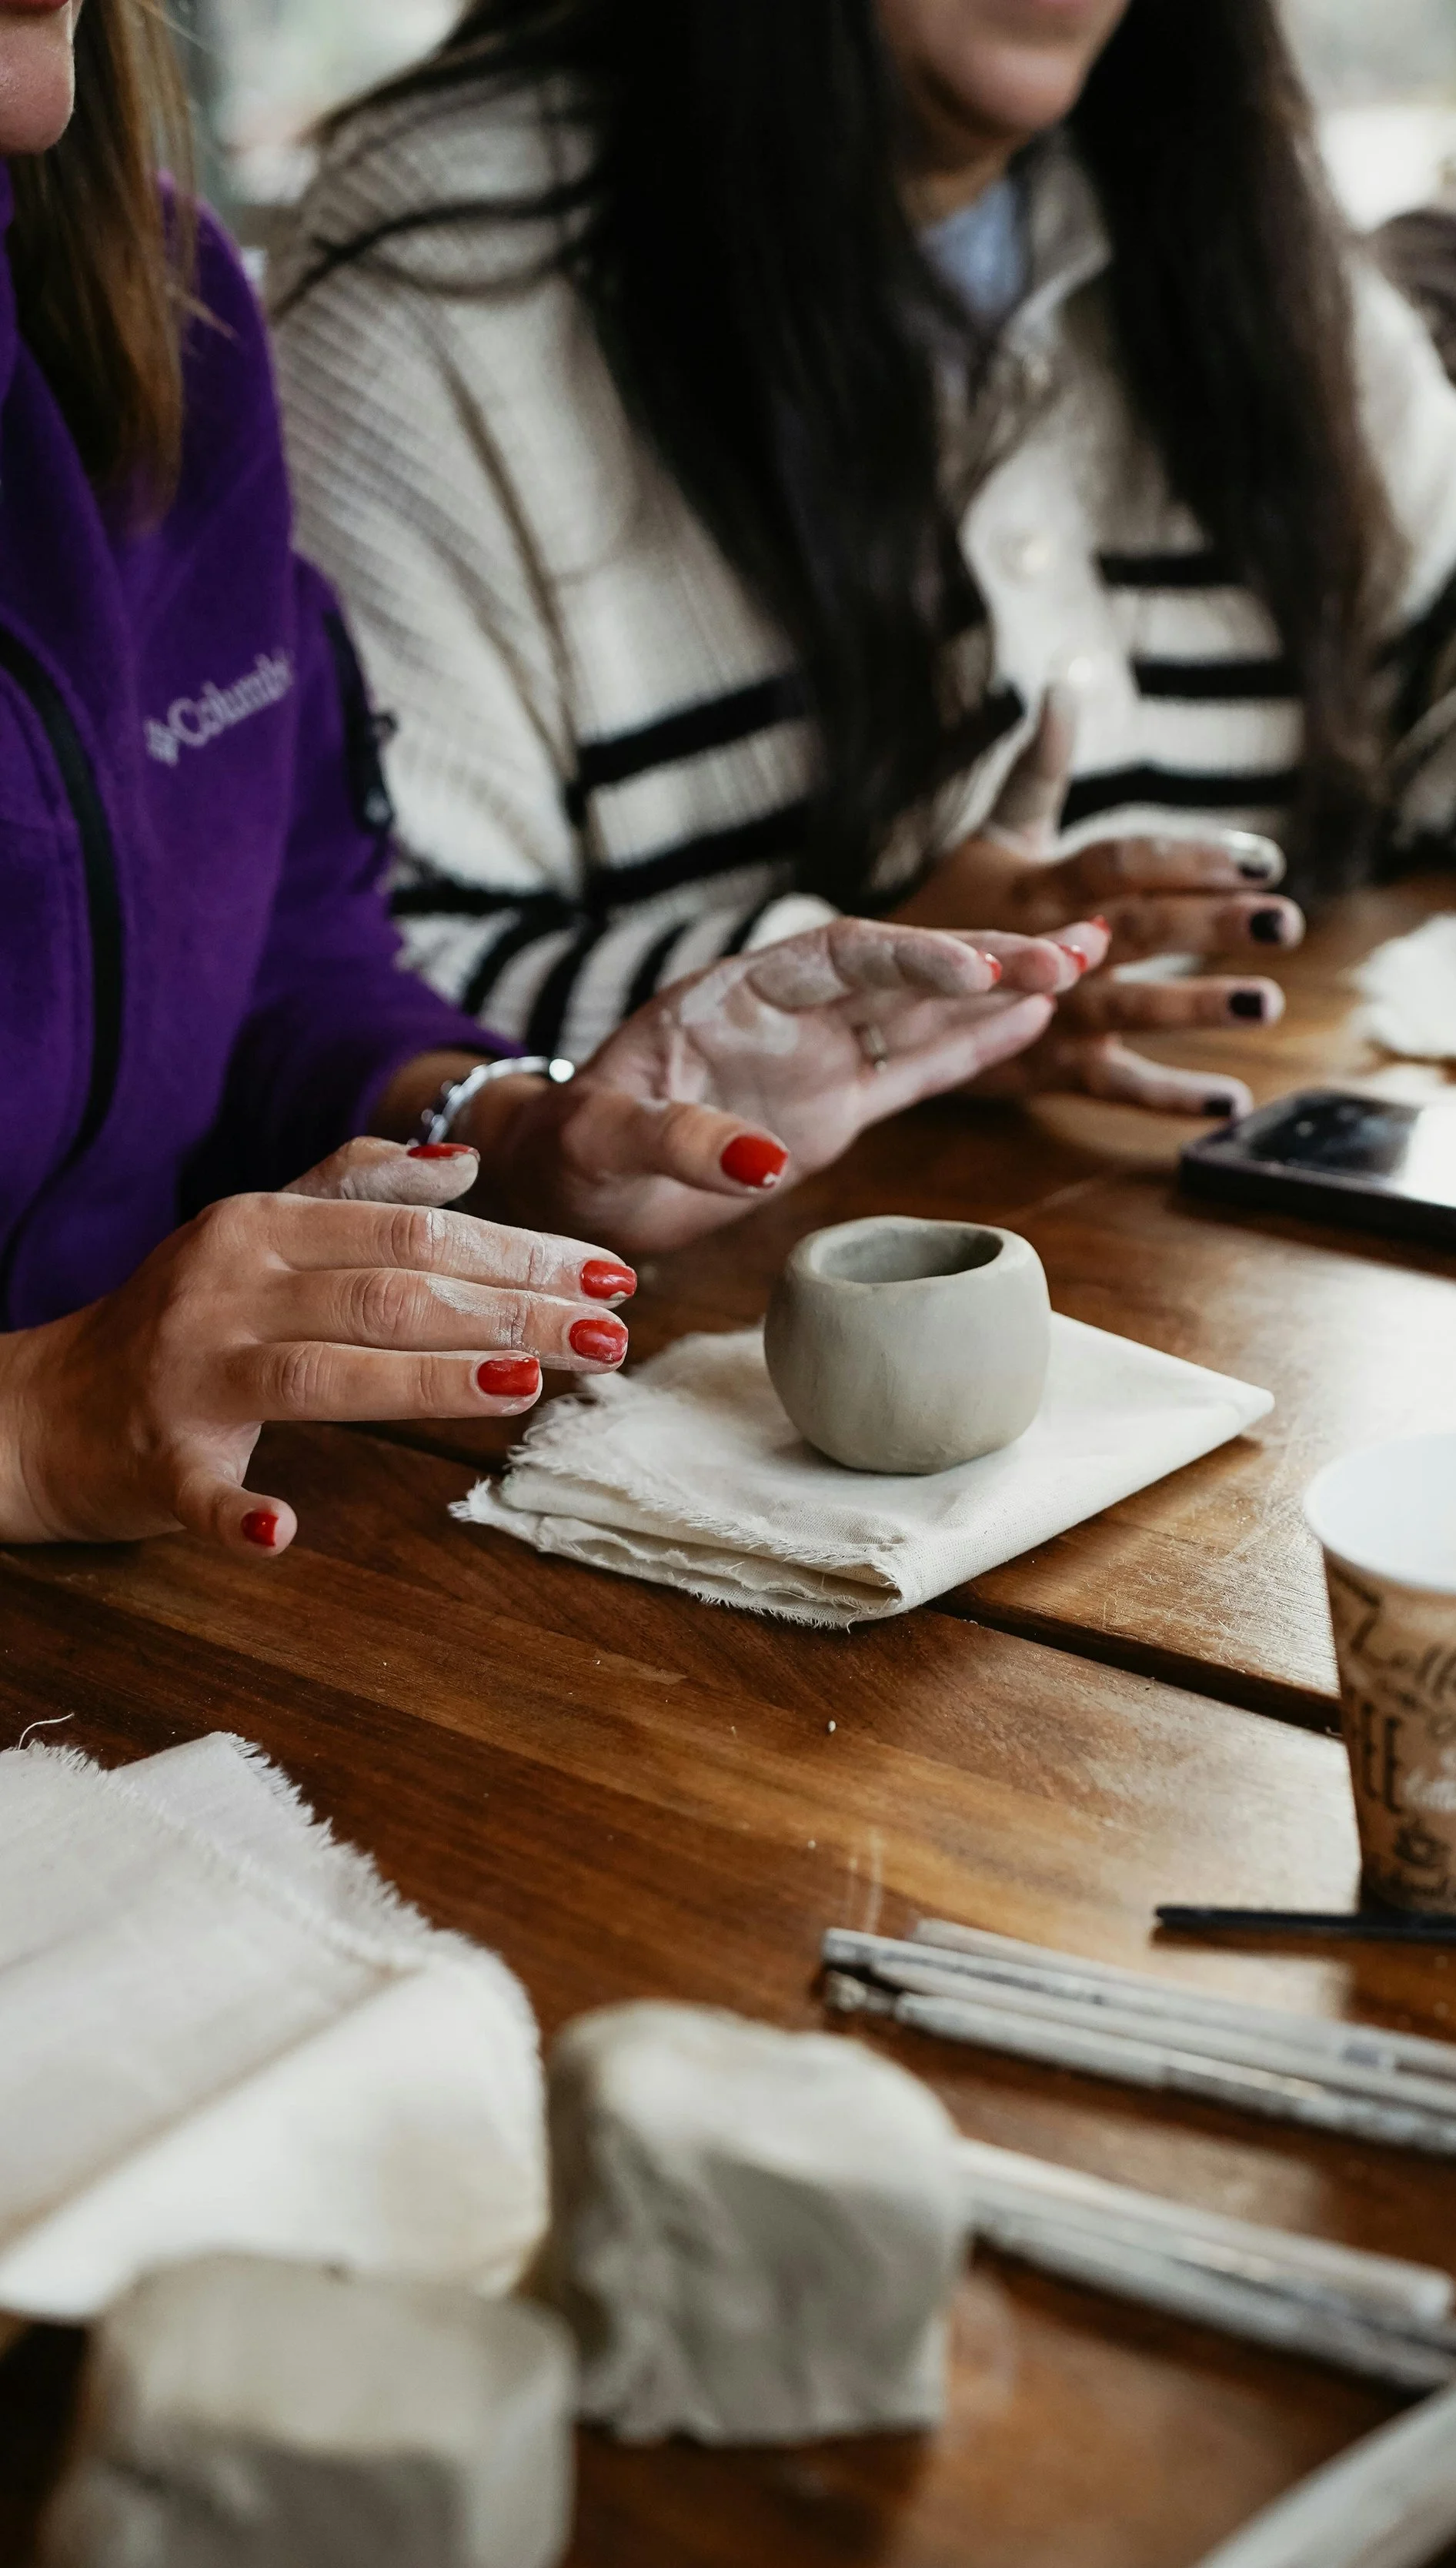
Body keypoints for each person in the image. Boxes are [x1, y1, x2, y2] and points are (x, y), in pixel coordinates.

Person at [275, 0, 1456, 1096]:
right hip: (706, 1384)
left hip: (1235, 1282)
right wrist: (877, 984)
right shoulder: (439, 284)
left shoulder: (1189, 176)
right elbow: (354, 991)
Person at [0, 0, 1109, 1563]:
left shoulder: (152, 302)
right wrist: (31, 1418)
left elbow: (273, 971)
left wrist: (518, 1141)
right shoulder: (435, 260)